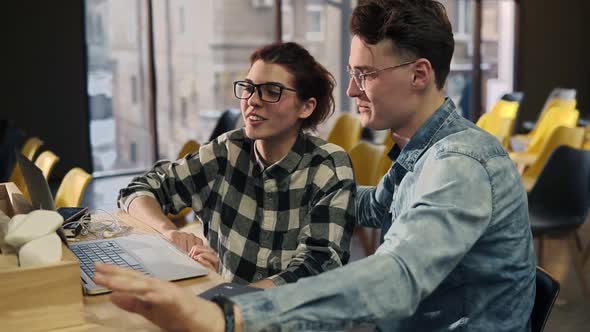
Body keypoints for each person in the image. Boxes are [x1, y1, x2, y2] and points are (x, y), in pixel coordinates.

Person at [95, 0, 536, 330]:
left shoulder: (457, 164)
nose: (351, 90)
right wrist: (294, 179)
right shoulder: (421, 151)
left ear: (419, 75)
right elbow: (373, 206)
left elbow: (398, 277)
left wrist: (232, 315)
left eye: (365, 74)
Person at [117, 42, 356, 287]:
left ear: (306, 107)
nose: (252, 101)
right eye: (249, 88)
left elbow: (318, 265)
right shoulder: (226, 150)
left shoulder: (329, 166)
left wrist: (234, 298)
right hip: (229, 312)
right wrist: (169, 232)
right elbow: (139, 189)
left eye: (272, 91)